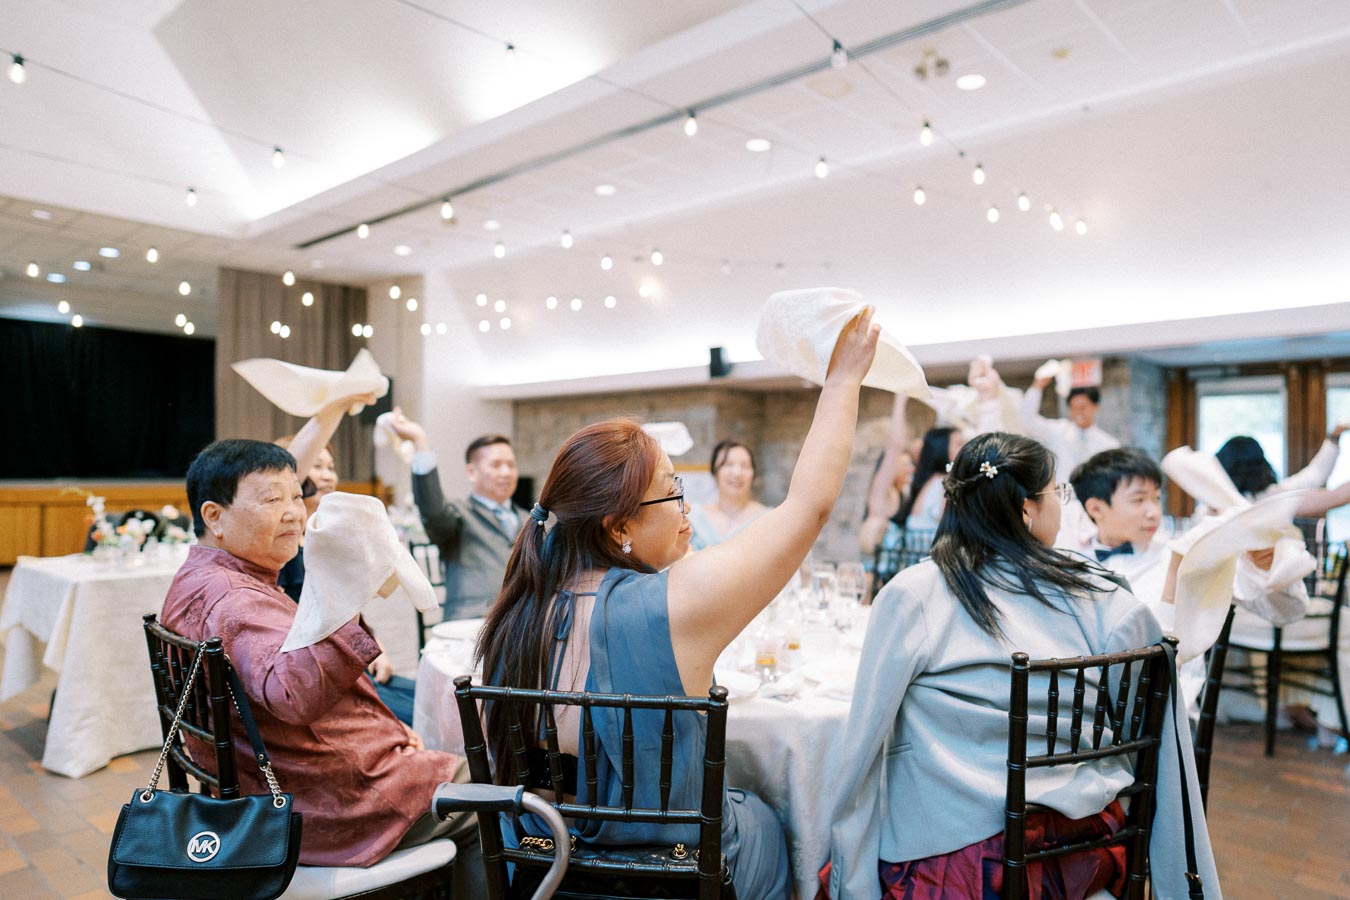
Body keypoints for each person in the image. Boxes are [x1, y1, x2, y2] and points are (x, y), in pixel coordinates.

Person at [475, 307, 881, 900]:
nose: (687, 507)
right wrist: (844, 380)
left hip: (545, 867)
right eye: (673, 491)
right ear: (618, 528)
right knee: (774, 822)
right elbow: (806, 508)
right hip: (662, 874)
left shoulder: (518, 611)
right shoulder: (669, 604)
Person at [821, 432, 1219, 899]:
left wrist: (853, 883)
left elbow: (862, 750)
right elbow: (1155, 742)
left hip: (956, 858)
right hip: (1081, 849)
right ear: (1027, 510)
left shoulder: (913, 595)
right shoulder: (1105, 597)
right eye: (1060, 494)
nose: (1064, 507)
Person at [160, 439, 482, 895]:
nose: (295, 513)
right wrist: (346, 588)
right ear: (214, 517)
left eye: (296, 495)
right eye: (273, 499)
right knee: (492, 788)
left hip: (284, 779)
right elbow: (293, 695)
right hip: (327, 802)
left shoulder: (202, 577)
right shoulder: (234, 599)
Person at [1066, 448, 1308, 711]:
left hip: (1164, 714)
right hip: (1084, 707)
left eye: (1156, 499)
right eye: (1138, 500)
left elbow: (1288, 611)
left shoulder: (1188, 558)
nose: (1153, 512)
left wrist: (1267, 569)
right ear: (1096, 508)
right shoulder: (1070, 562)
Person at [272, 396, 417, 726]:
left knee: (442, 701)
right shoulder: (282, 541)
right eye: (316, 466)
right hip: (319, 673)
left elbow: (345, 609)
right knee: (428, 718)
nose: (325, 476)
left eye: (330, 467)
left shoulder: (324, 534)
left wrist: (376, 645)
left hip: (352, 660)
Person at [1215, 426, 1350, 740]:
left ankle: (1302, 709)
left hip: (1231, 623)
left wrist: (1332, 438)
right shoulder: (1271, 499)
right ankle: (1335, 717)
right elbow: (1325, 488)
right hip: (1271, 617)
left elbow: (1312, 476)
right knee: (1343, 625)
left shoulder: (1214, 507)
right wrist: (1333, 437)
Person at [388, 411, 527, 619]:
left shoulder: (531, 519)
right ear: (471, 472)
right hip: (472, 624)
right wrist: (420, 441)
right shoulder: (458, 513)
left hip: (527, 626)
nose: (506, 472)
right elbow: (431, 508)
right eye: (496, 465)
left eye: (511, 465)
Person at [1216, 424, 1350, 518]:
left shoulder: (1215, 506)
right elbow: (1319, 479)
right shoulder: (1272, 498)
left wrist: (1336, 433)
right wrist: (1336, 433)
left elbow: (1315, 474)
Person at [1022, 365, 1120, 479]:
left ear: (1095, 407)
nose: (1079, 412)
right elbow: (1028, 421)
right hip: (1062, 495)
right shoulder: (1057, 431)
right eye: (1074, 407)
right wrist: (1037, 386)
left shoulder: (1109, 444)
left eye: (1083, 407)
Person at [688, 439, 771, 550]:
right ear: (714, 472)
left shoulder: (768, 519)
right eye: (728, 464)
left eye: (745, 466)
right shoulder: (693, 519)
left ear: (753, 474)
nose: (737, 473)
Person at [892, 426, 963, 532]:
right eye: (958, 444)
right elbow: (948, 522)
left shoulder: (931, 480)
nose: (964, 448)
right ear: (942, 449)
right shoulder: (945, 482)